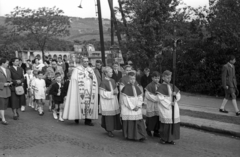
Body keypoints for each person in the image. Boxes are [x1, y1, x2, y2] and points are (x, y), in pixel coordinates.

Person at [63, 57, 98, 126]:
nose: (86, 62)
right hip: (80, 90)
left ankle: (88, 120)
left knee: (88, 105)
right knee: (78, 104)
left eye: (87, 61)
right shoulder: (77, 70)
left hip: (89, 90)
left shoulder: (90, 70)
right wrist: (81, 78)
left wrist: (92, 77)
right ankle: (77, 117)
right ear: (81, 62)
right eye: (84, 61)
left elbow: (95, 80)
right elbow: (73, 80)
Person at [121, 71, 147, 142]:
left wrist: (138, 105)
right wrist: (132, 107)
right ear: (128, 79)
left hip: (137, 108)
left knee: (138, 121)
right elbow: (125, 100)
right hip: (129, 108)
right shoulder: (125, 88)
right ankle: (131, 135)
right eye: (131, 79)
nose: (132, 80)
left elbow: (140, 97)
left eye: (134, 79)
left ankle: (140, 135)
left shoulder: (137, 87)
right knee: (131, 122)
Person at [156, 70, 181, 145]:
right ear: (163, 78)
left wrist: (175, 95)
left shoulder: (172, 86)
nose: (169, 79)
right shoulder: (161, 87)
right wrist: (169, 103)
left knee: (172, 123)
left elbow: (179, 96)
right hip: (166, 108)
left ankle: (170, 138)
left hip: (174, 107)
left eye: (170, 78)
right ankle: (163, 138)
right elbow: (160, 98)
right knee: (166, 124)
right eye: (167, 78)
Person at [99, 66, 122, 137]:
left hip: (113, 100)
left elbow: (115, 90)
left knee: (114, 115)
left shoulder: (113, 81)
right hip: (107, 102)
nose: (112, 73)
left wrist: (116, 91)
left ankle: (112, 128)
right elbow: (102, 94)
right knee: (109, 117)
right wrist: (112, 93)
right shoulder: (103, 82)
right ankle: (109, 130)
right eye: (110, 72)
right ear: (106, 73)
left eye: (112, 72)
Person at [144, 71, 161, 137]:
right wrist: (157, 98)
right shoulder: (149, 86)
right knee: (151, 118)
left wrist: (159, 98)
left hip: (158, 105)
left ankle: (156, 131)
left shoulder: (160, 85)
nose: (157, 79)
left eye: (158, 78)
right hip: (151, 104)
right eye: (155, 78)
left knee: (157, 118)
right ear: (152, 78)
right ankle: (148, 130)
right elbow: (148, 95)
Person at [0, 58, 12, 125]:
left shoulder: (8, 70)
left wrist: (10, 82)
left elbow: (9, 78)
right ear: (2, 63)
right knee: (2, 104)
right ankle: (3, 119)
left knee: (4, 105)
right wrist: (3, 84)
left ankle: (1, 116)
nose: (8, 64)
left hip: (7, 90)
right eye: (7, 63)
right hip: (1, 90)